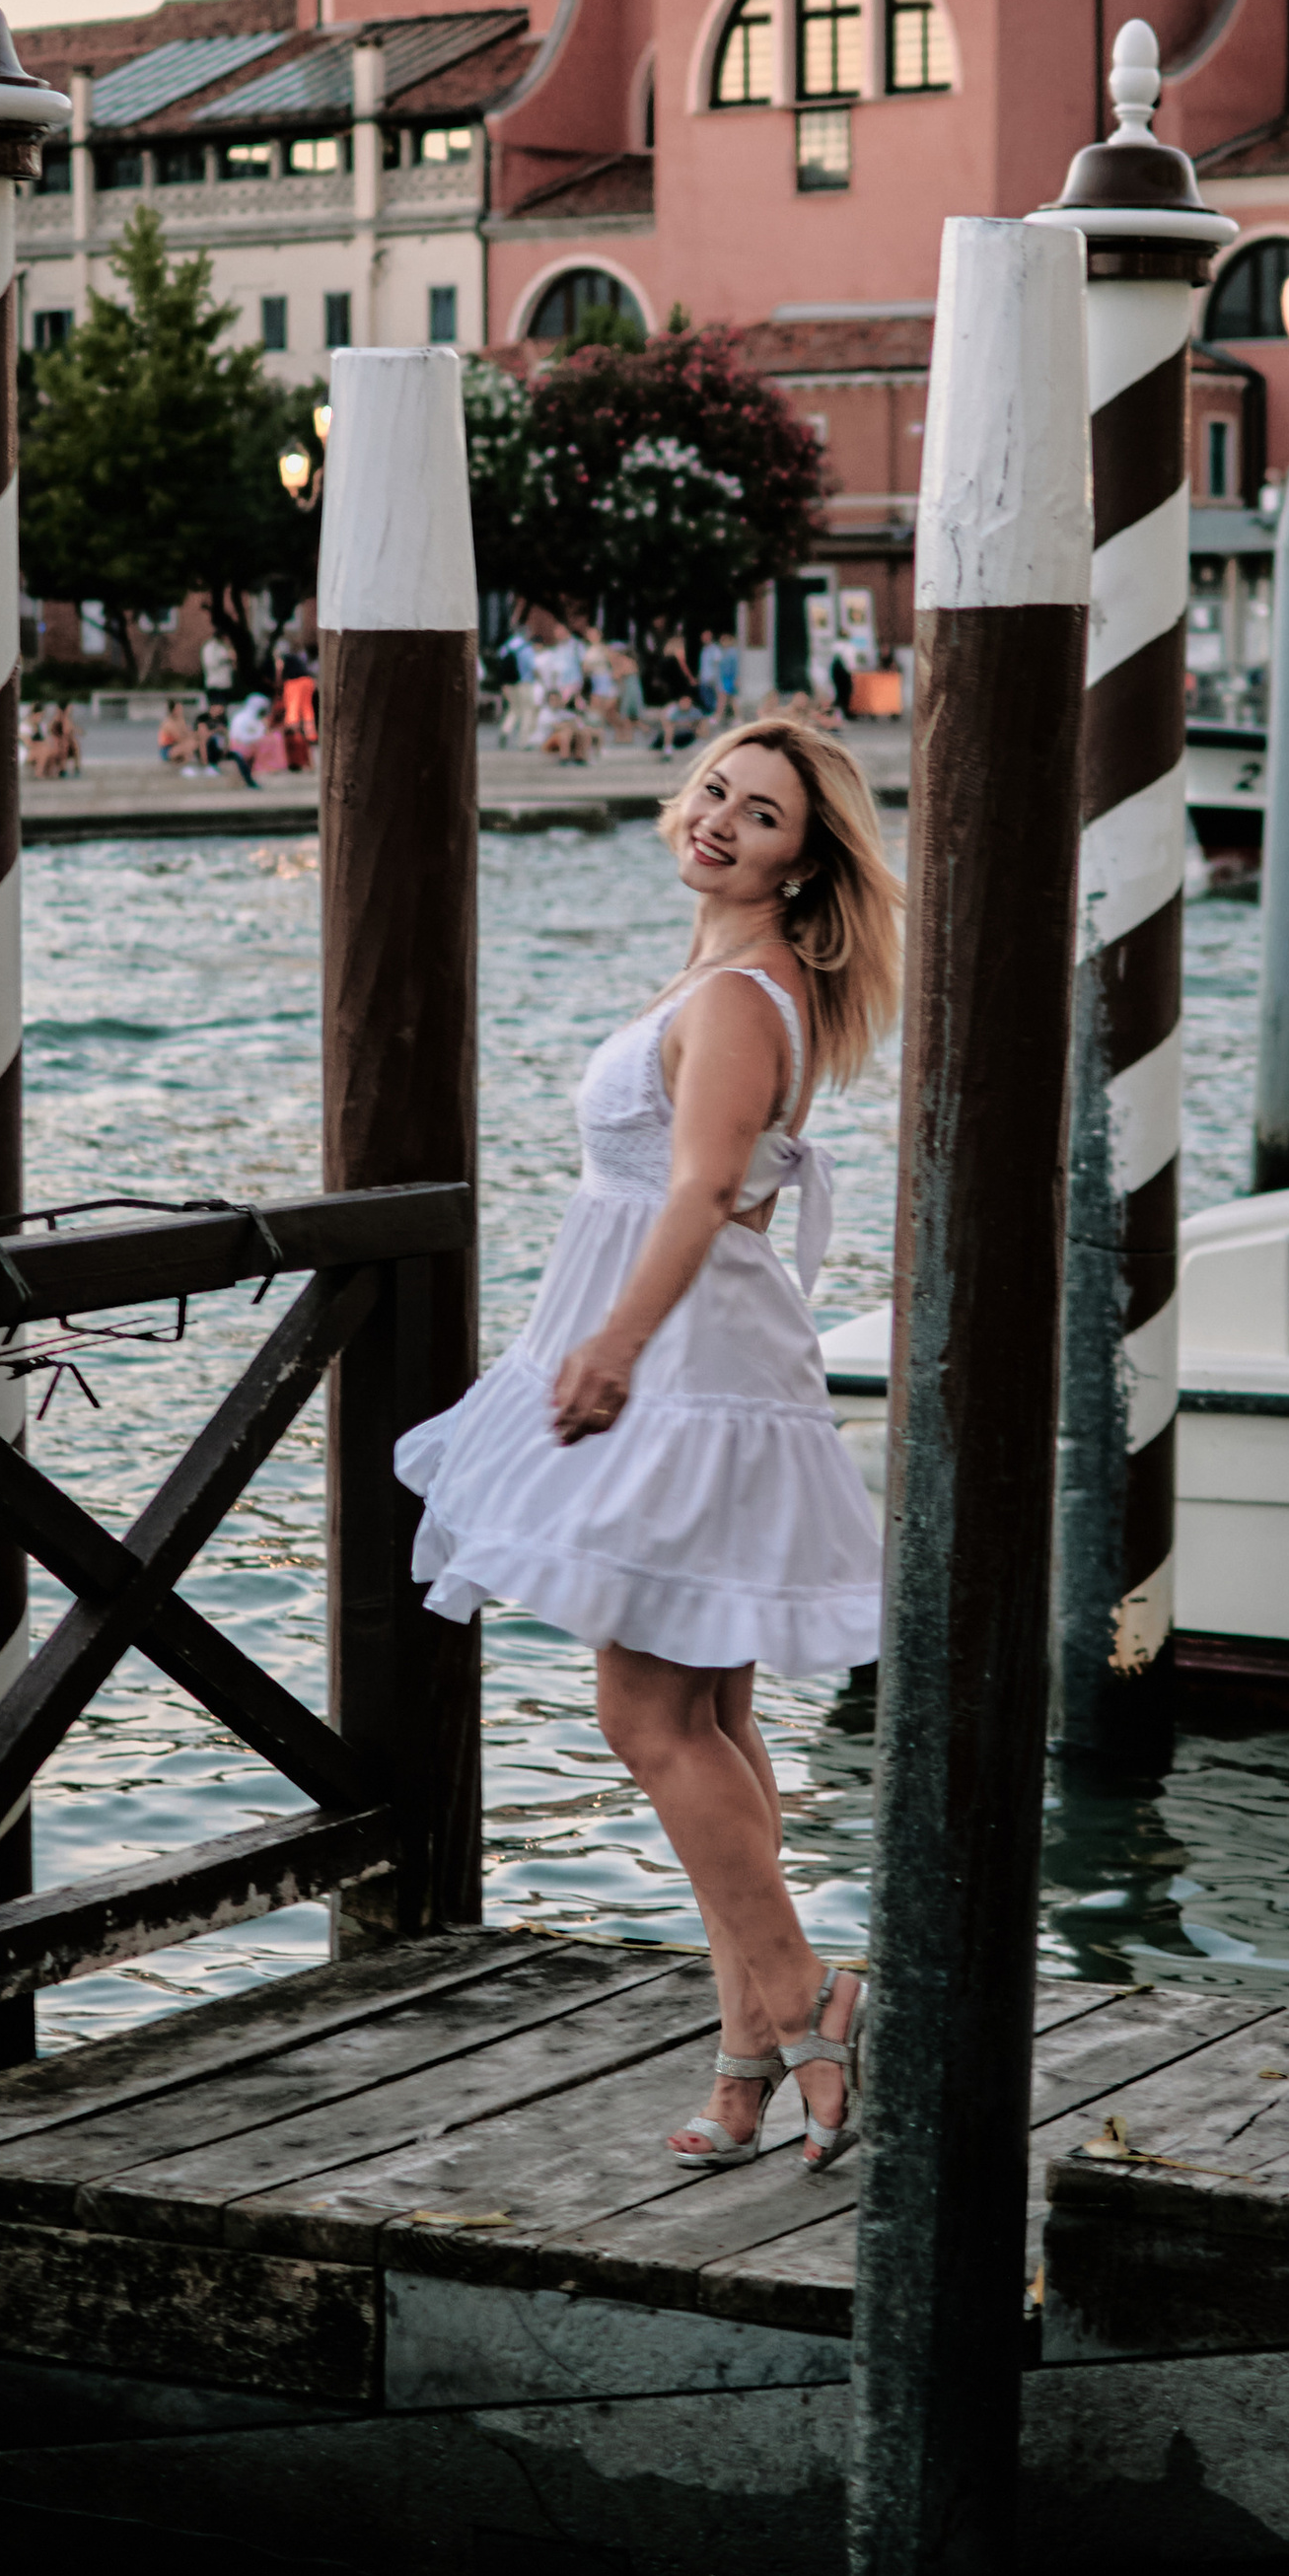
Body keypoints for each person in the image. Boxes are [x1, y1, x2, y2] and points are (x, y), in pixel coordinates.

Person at [395, 718, 901, 2174]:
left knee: (647, 1720)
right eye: (718, 796)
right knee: (712, 1722)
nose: (725, 823)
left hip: (684, 1371)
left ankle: (812, 2000)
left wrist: (608, 1345)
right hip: (705, 1363)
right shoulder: (732, 977)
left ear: (803, 864)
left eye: (763, 817)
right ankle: (751, 2049)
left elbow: (697, 1192)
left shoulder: (747, 991)